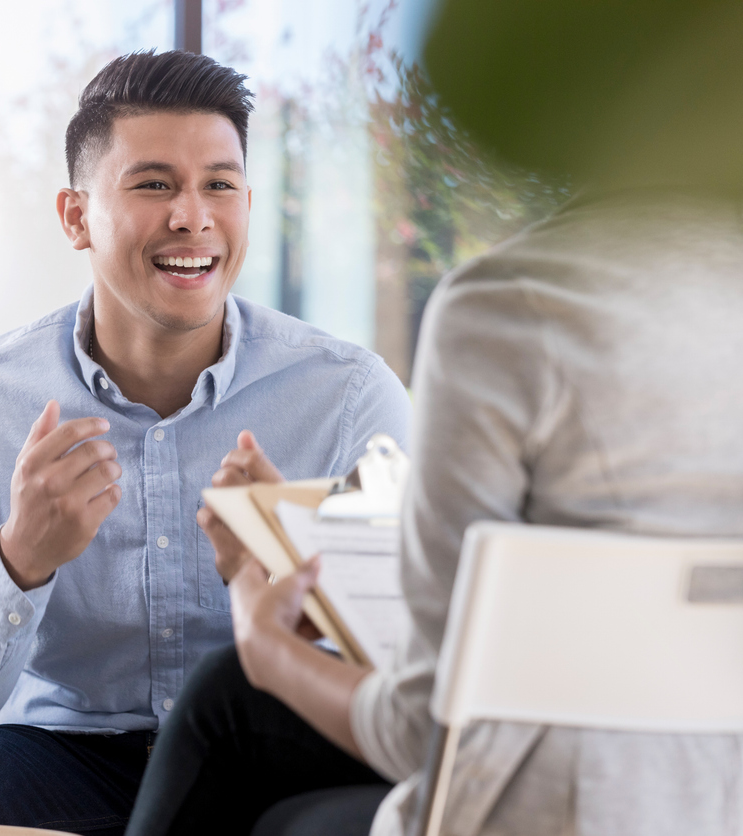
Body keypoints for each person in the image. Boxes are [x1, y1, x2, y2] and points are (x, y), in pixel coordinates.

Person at [125, 2, 743, 835]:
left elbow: (428, 727)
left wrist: (264, 634)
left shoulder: (512, 307)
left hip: (553, 808)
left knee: (229, 703)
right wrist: (311, 545)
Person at [0, 50, 409, 832]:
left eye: (219, 186)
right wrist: (21, 559)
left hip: (265, 757)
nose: (192, 216)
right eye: (153, 184)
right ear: (76, 216)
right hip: (64, 759)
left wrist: (287, 580)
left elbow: (410, 681)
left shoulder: (351, 397)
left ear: (248, 205)